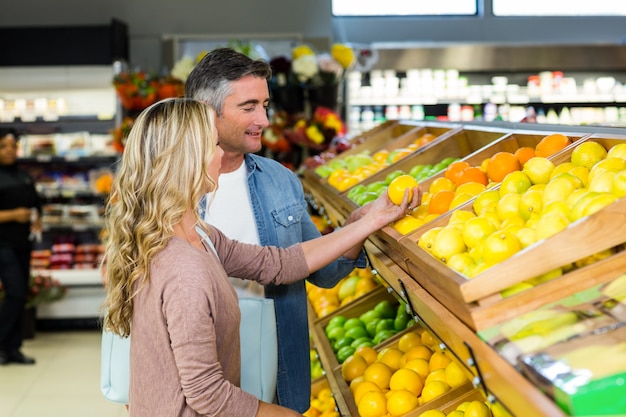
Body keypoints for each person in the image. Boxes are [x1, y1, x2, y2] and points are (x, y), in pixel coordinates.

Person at [101, 97, 419, 417]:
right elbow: (206, 393)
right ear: (188, 159)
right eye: (213, 144)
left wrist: (368, 222)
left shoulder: (198, 237)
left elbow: (278, 264)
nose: (221, 153)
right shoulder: (184, 272)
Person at [185, 47, 373, 412]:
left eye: (265, 105)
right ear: (207, 113)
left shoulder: (280, 180)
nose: (265, 119)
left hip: (276, 370)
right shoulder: (171, 190)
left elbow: (323, 271)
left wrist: (356, 229)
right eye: (249, 106)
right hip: (201, 371)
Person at [0, 128, 41, 365]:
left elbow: (36, 205)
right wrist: (13, 215)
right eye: (4, 146)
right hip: (2, 244)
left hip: (22, 244)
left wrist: (37, 217)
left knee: (21, 293)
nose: (9, 151)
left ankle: (13, 348)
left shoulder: (24, 176)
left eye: (12, 146)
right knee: (14, 292)